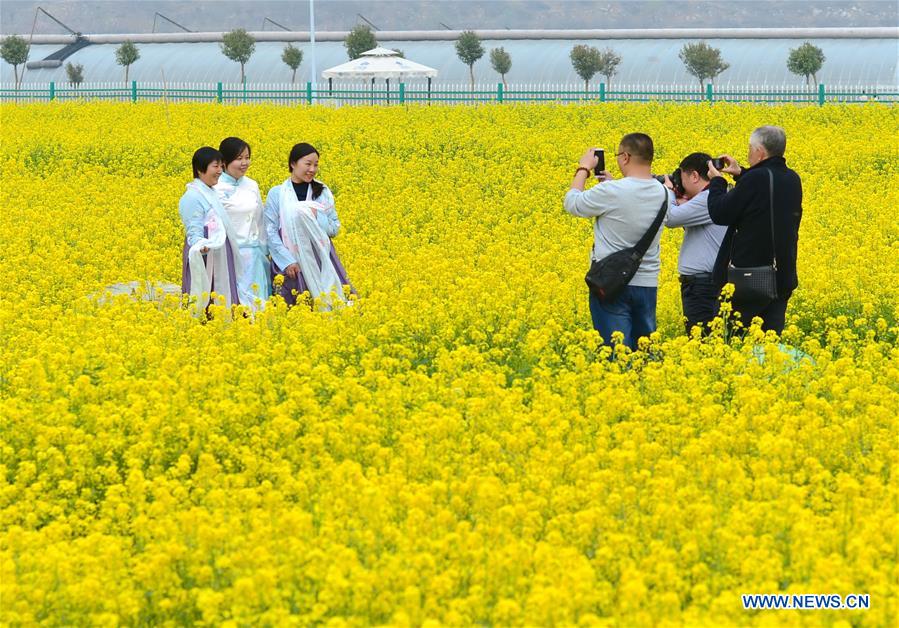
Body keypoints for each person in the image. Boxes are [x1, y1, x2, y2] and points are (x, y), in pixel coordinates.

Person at [564, 133, 673, 350]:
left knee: (617, 352)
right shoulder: (665, 194)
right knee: (644, 353)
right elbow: (634, 200)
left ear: (625, 157)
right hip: (647, 284)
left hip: (611, 283)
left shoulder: (610, 191)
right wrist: (614, 185)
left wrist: (584, 168)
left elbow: (572, 202)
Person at [707, 126, 803, 334]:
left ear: (759, 151)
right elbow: (764, 193)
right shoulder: (792, 178)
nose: (749, 152)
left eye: (750, 148)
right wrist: (741, 173)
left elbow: (720, 213)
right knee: (767, 345)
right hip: (781, 277)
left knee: (730, 338)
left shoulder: (755, 179)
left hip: (748, 280)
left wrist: (716, 181)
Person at [264, 143, 354, 307]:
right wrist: (287, 261)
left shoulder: (322, 192)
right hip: (291, 262)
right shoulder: (277, 194)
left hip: (321, 257)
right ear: (293, 164)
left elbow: (334, 228)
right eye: (308, 164)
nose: (312, 169)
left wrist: (316, 216)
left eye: (316, 165)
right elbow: (270, 231)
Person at [664, 152, 728, 334]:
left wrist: (668, 191)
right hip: (705, 283)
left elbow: (670, 217)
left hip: (703, 286)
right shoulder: (712, 197)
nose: (680, 184)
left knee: (702, 341)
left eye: (681, 178)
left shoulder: (708, 198)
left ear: (694, 176)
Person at [178, 146, 244, 310]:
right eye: (215, 166)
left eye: (221, 166)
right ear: (200, 169)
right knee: (207, 294)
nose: (220, 171)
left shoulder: (210, 191)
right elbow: (193, 230)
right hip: (206, 255)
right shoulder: (192, 196)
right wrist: (201, 245)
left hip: (219, 252)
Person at [214, 137, 271, 309]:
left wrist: (265, 251)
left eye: (247, 157)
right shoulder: (215, 188)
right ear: (224, 162)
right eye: (239, 159)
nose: (244, 163)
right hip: (228, 255)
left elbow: (260, 220)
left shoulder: (252, 185)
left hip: (254, 255)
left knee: (258, 306)